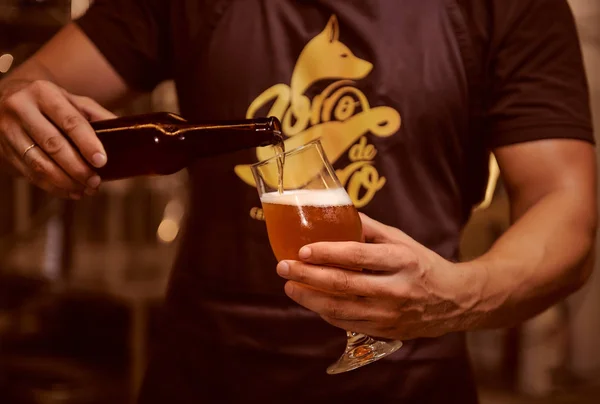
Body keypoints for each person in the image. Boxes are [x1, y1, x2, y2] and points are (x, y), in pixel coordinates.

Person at [0, 0, 596, 402]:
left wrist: (454, 297)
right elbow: (31, 85)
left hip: (411, 379)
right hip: (207, 371)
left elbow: (565, 204)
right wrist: (23, 111)